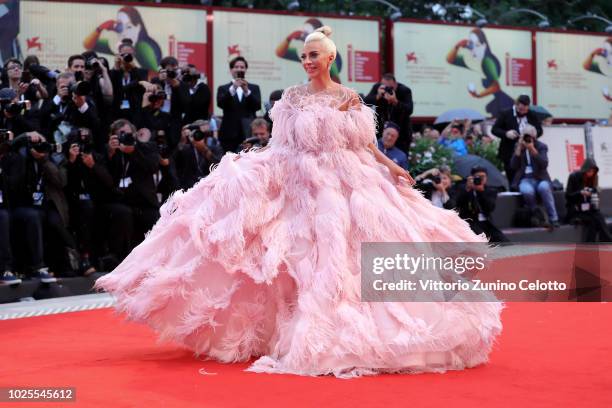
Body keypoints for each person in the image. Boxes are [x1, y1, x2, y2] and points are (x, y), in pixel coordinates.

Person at [96, 26, 502, 378]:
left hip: (348, 182)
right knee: (291, 256)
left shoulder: (348, 98)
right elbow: (279, 144)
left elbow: (363, 143)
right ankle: (278, 329)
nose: (307, 61)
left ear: (329, 57)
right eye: (303, 55)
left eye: (313, 55)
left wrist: (390, 167)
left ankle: (356, 332)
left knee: (345, 252)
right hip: (298, 181)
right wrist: (254, 171)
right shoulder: (291, 97)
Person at [446, 28, 514, 117]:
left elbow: (496, 86)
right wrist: (457, 46)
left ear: (484, 45)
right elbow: (450, 60)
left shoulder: (487, 61)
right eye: (471, 44)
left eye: (476, 45)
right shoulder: (471, 59)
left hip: (500, 100)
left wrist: (478, 95)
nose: (472, 48)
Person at [83, 6, 162, 73]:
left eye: (129, 27)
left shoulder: (143, 46)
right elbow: (88, 45)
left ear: (138, 27)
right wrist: (100, 28)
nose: (124, 33)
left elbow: (154, 73)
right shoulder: (117, 43)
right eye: (120, 26)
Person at [510, 125, 559, 228]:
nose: (527, 139)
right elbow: (513, 166)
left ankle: (553, 218)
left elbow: (544, 164)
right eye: (525, 137)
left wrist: (532, 149)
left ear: (534, 137)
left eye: (530, 137)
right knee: (527, 191)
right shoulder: (519, 146)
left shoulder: (541, 146)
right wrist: (518, 149)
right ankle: (537, 216)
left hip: (540, 178)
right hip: (525, 178)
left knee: (544, 188)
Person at [492, 95, 542, 187]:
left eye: (525, 110)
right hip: (509, 151)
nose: (522, 112)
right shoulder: (505, 113)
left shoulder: (532, 114)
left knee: (527, 177)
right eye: (520, 109)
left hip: (527, 152)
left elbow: (540, 130)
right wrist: (506, 133)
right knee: (512, 179)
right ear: (516, 105)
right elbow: (494, 129)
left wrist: (533, 134)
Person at [216, 56, 261, 153]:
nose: (239, 69)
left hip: (248, 131)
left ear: (245, 69)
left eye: (242, 67)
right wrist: (233, 88)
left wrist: (246, 91)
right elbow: (221, 104)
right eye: (236, 67)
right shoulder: (223, 88)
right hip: (229, 133)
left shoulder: (254, 88)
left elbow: (257, 106)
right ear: (231, 70)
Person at [455, 166, 509, 243]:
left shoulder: (491, 190)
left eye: (483, 176)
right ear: (472, 177)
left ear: (486, 177)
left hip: (486, 222)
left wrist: (481, 192)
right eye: (478, 177)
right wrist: (467, 189)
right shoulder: (464, 188)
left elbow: (489, 208)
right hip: (471, 222)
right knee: (482, 239)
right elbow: (458, 205)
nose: (481, 179)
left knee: (504, 241)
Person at [363, 73, 413, 153]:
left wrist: (396, 102)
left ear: (395, 84)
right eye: (385, 86)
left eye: (390, 87)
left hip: (401, 131)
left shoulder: (404, 90)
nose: (387, 90)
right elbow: (364, 102)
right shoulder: (378, 88)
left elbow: (409, 110)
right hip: (381, 130)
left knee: (400, 156)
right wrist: (377, 96)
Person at [565, 158, 611, 242]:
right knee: (593, 220)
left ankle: (597, 241)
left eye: (593, 171)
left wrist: (595, 191)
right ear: (584, 170)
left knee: (599, 216)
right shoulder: (573, 177)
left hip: (588, 208)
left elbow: (593, 194)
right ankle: (606, 239)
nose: (591, 173)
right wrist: (580, 193)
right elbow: (568, 196)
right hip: (575, 210)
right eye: (589, 171)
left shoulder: (594, 178)